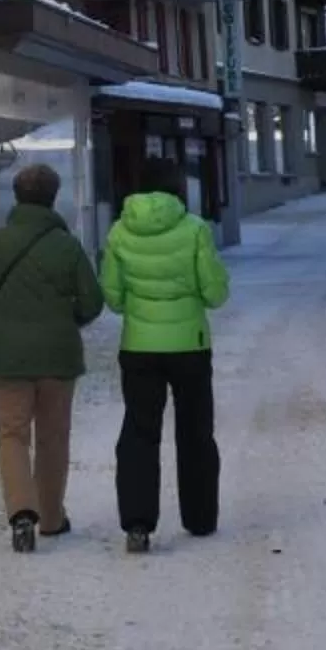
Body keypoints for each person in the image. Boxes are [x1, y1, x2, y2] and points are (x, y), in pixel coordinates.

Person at [0, 162, 105, 553]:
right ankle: (52, 518)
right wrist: (67, 320)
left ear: (17, 197)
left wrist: (5, 318)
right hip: (58, 356)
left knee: (12, 435)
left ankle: (21, 513)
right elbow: (92, 302)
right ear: (53, 198)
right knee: (52, 437)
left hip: (6, 357)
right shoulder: (67, 246)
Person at [101, 155, 229, 554]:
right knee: (195, 432)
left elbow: (113, 298)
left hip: (139, 346)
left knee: (139, 432)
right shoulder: (195, 229)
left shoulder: (119, 231)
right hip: (190, 345)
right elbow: (215, 293)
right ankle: (200, 517)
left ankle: (138, 524)